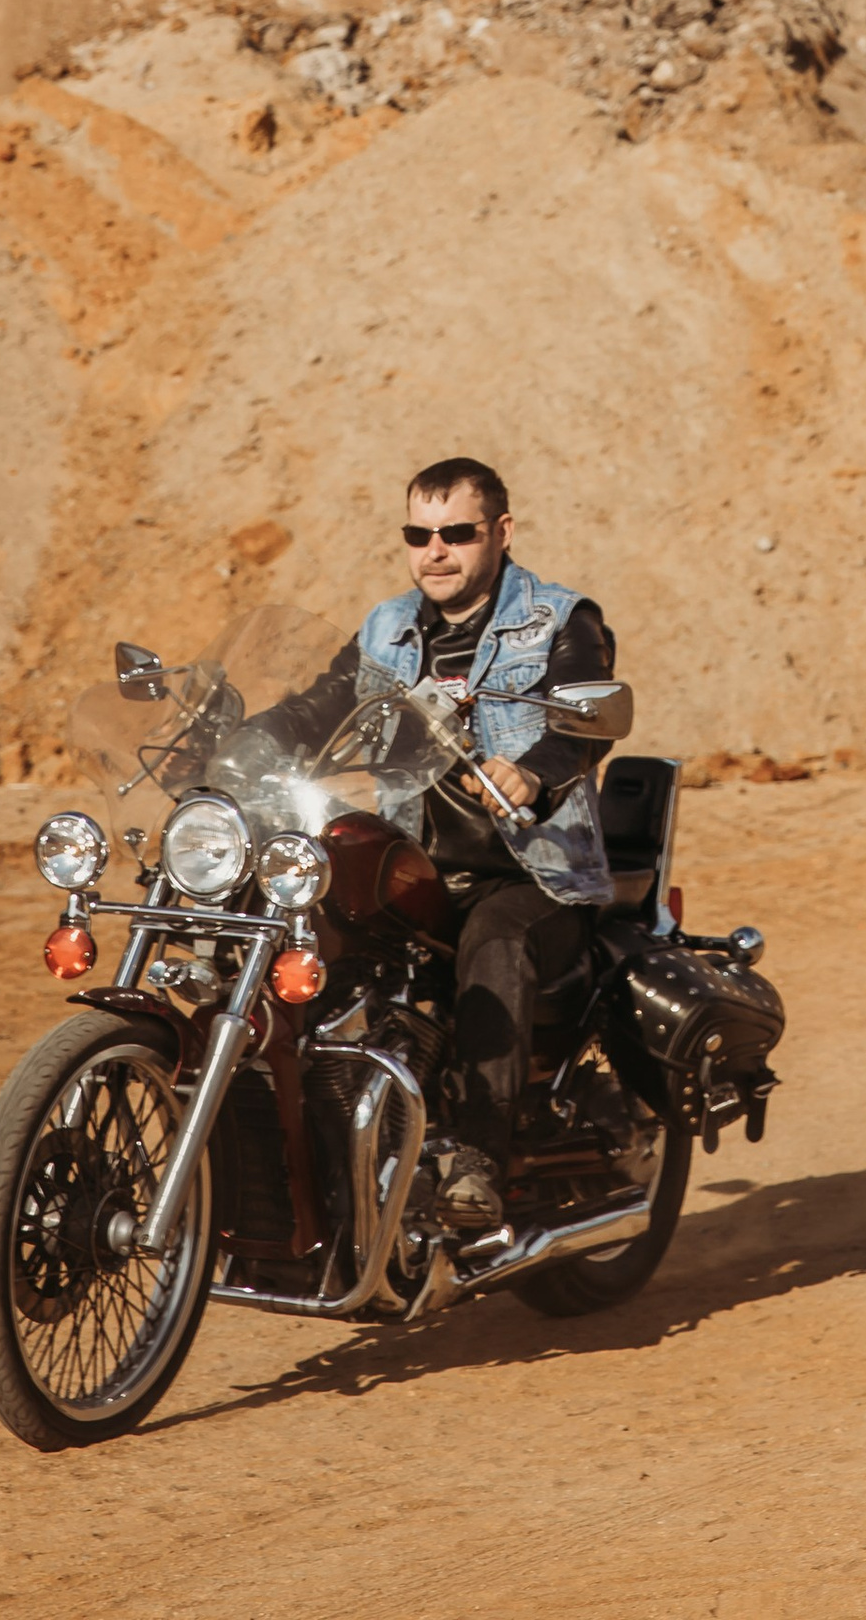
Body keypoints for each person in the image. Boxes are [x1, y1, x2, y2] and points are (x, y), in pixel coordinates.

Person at [258, 456, 616, 1234]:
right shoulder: (387, 628)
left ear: (501, 533)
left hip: (530, 875)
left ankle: (475, 1161)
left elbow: (581, 719)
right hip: (416, 866)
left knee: (495, 941)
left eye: (458, 532)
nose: (436, 551)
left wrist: (534, 773)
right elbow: (322, 705)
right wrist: (241, 740)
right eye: (419, 535)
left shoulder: (559, 619)